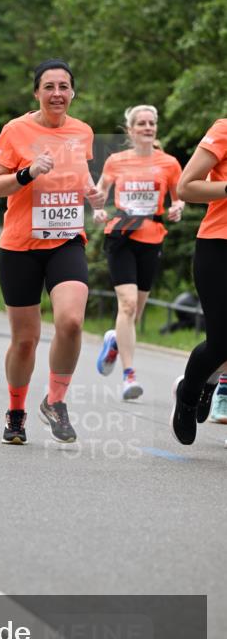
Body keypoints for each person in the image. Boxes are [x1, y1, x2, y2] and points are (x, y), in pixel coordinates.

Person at [0, 58, 104, 445]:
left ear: (73, 92)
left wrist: (94, 194)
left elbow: (81, 174)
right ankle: (16, 410)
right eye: (49, 87)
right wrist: (27, 173)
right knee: (25, 339)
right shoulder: (15, 130)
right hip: (20, 246)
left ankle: (55, 401)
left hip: (66, 240)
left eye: (64, 87)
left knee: (71, 322)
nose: (57, 94)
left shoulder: (82, 132)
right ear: (36, 92)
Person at [93, 105, 183, 399]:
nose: (147, 127)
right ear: (130, 130)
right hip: (121, 235)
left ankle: (115, 341)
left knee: (136, 311)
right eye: (141, 123)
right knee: (128, 305)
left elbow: (178, 197)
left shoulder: (169, 163)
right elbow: (99, 192)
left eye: (151, 123)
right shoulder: (116, 161)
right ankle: (129, 376)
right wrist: (97, 211)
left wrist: (178, 208)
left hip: (152, 237)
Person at [170, 117, 227, 444]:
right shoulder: (223, 130)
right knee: (221, 342)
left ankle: (210, 383)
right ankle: (190, 393)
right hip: (220, 246)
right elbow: (186, 186)